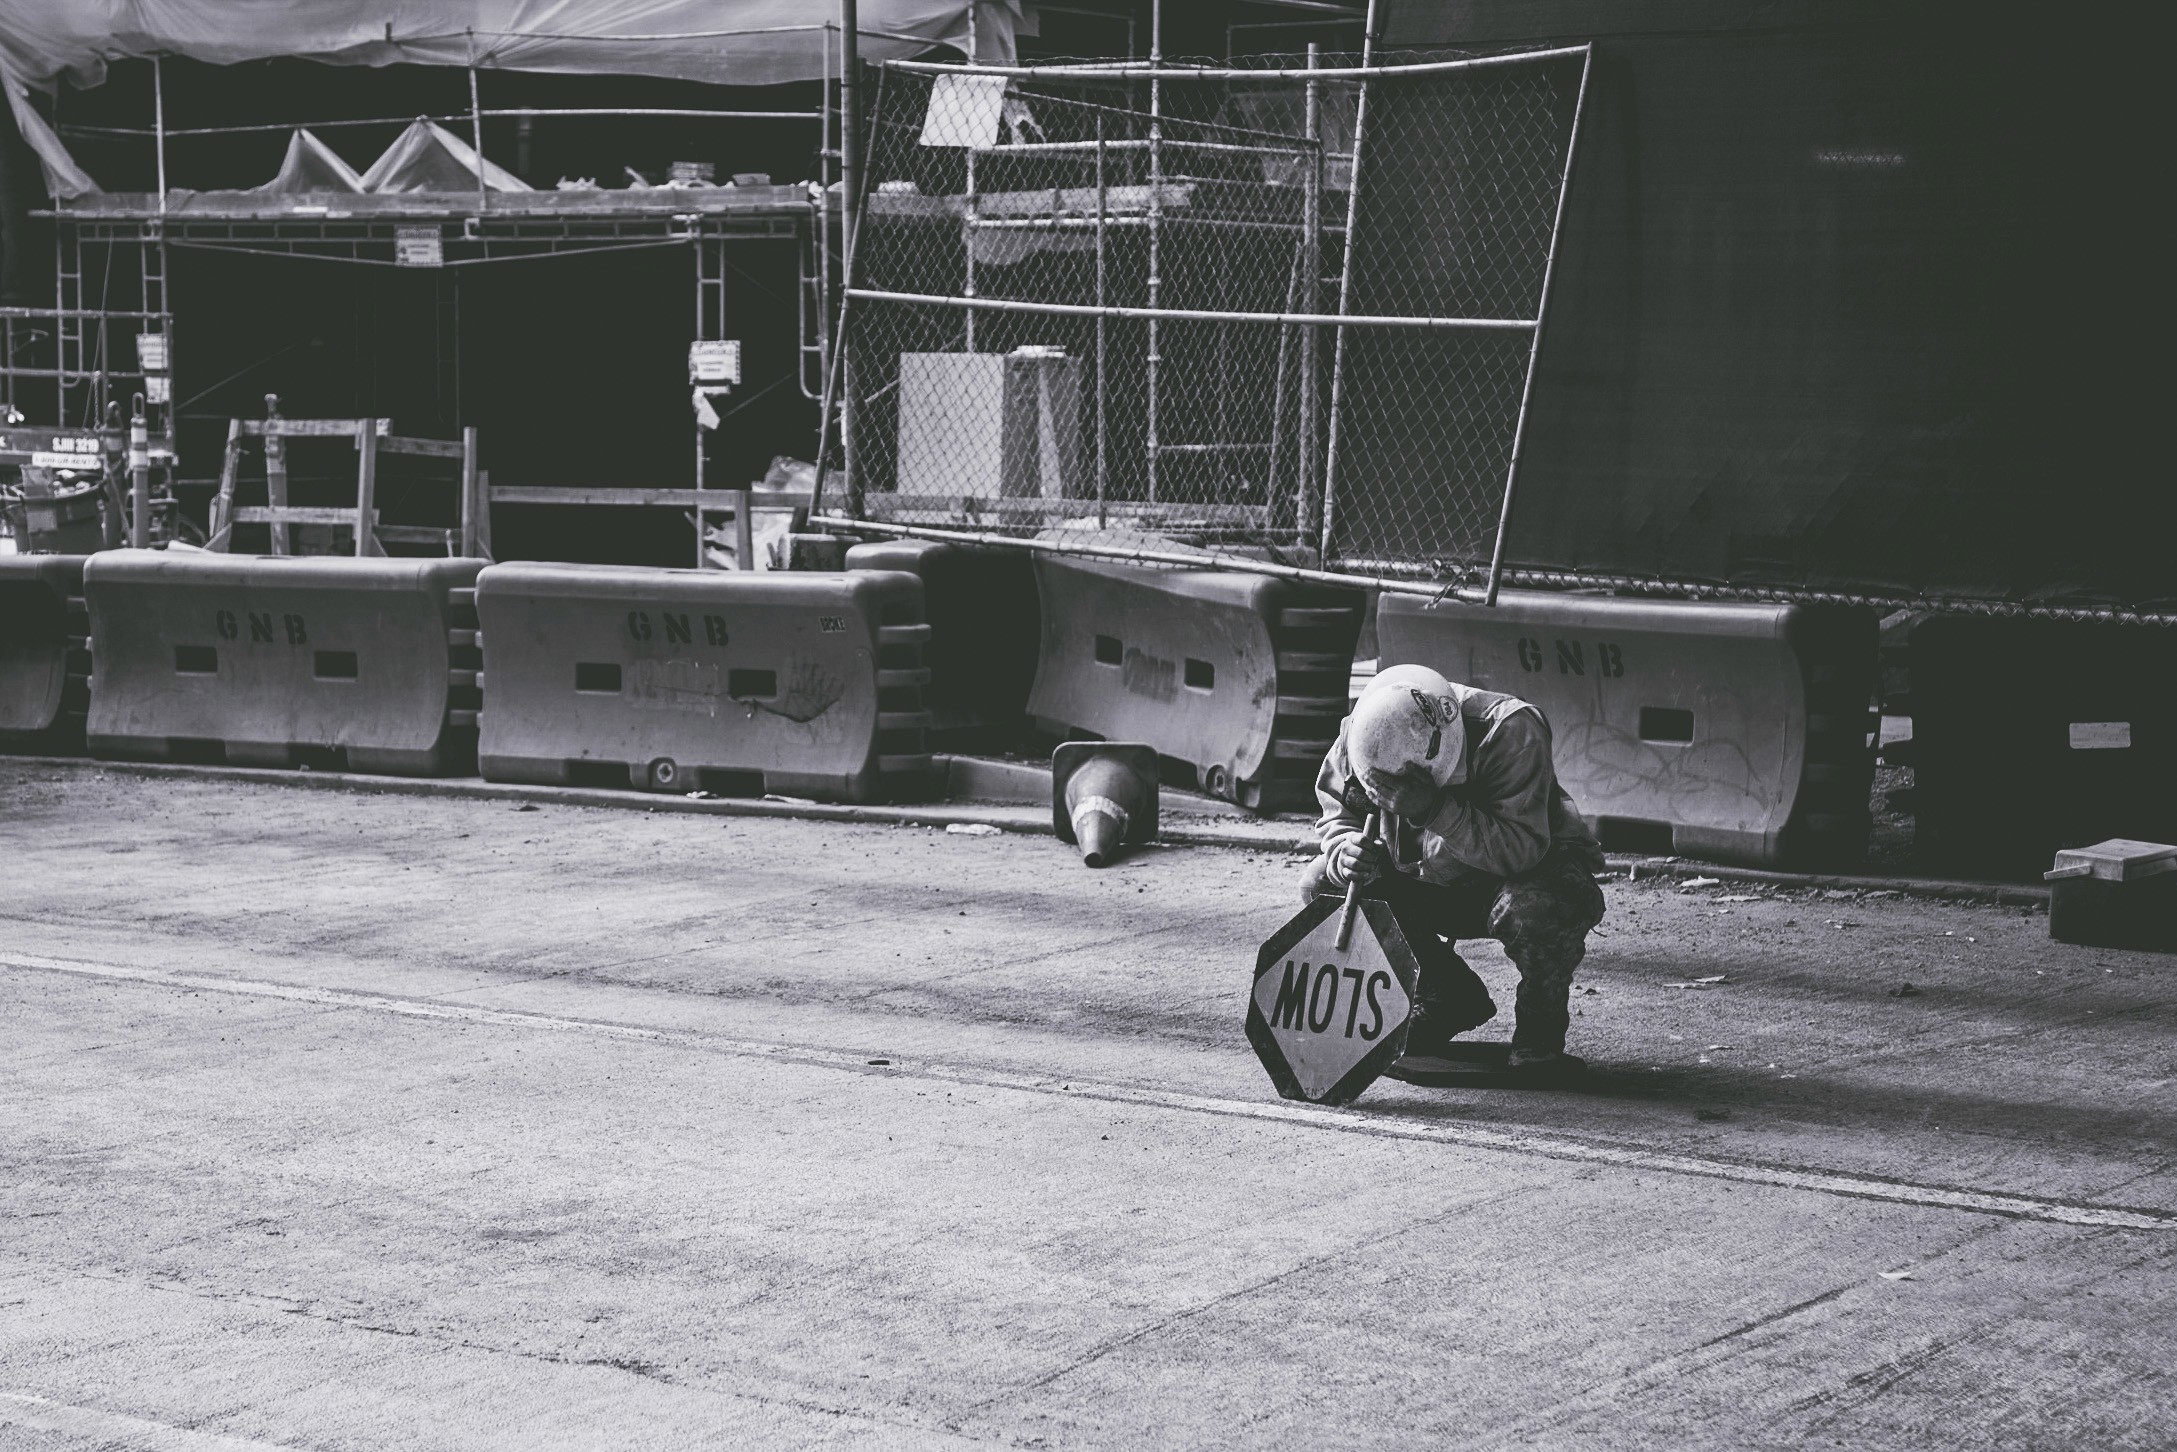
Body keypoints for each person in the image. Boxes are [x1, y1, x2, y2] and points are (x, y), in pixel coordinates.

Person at [1301, 663, 1607, 1081]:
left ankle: (1540, 1035)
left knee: (1537, 907)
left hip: (1513, 879)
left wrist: (1433, 811)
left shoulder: (1510, 732)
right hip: (1425, 880)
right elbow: (1339, 814)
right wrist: (1345, 850)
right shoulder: (1365, 728)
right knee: (1323, 883)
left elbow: (1522, 851)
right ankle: (1446, 995)